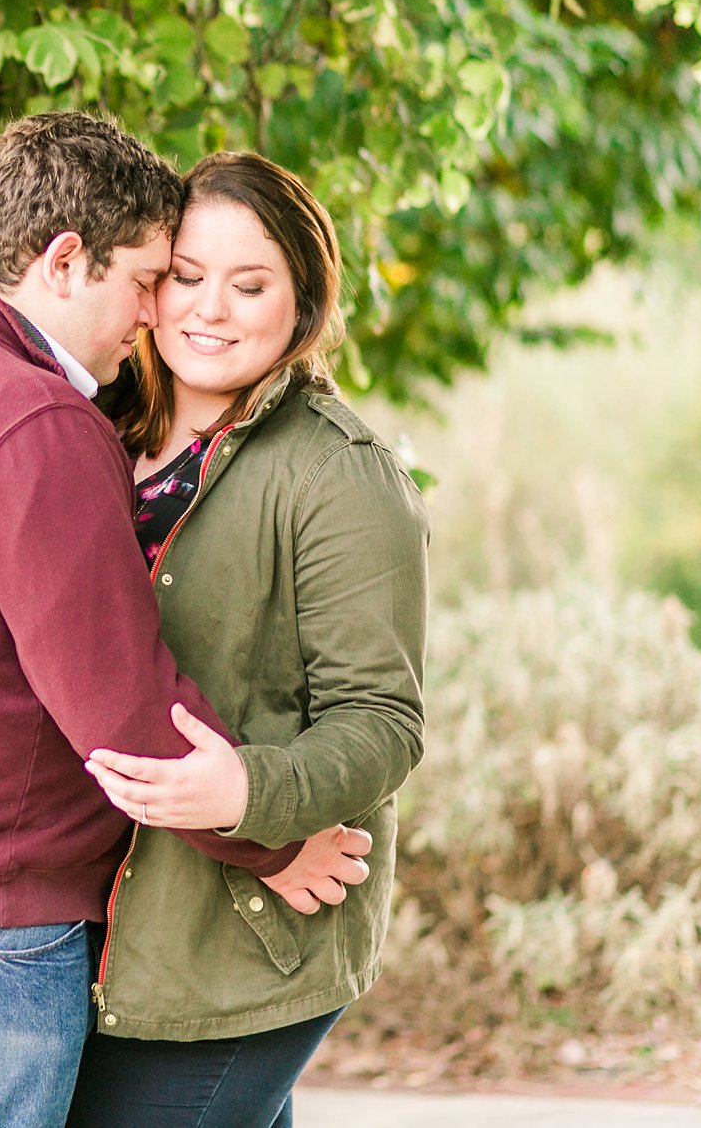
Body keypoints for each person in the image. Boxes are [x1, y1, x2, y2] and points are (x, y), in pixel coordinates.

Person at [0, 115, 375, 1128]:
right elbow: (125, 716)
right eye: (145, 279)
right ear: (62, 261)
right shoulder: (31, 420)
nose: (151, 313)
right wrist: (270, 844)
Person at [68, 151, 429, 1128]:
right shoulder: (89, 432)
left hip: (244, 939)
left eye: (249, 283)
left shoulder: (339, 475)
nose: (209, 309)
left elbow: (382, 724)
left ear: (302, 301)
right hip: (91, 926)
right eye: (185, 277)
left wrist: (249, 794)